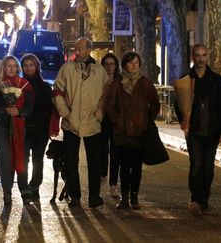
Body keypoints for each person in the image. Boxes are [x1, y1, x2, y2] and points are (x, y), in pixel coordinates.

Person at [174, 44, 221, 216]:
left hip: (212, 131)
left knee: (208, 167)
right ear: (193, 57)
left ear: (208, 57)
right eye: (198, 55)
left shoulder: (217, 81)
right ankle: (195, 199)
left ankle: (204, 198)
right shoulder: (185, 80)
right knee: (196, 165)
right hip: (194, 131)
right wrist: (184, 122)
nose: (201, 59)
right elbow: (179, 105)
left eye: (204, 55)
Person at [52, 37, 109, 208]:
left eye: (80, 49)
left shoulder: (99, 71)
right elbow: (57, 91)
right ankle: (75, 195)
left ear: (89, 49)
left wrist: (100, 112)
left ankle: (94, 196)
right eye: (75, 49)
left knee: (94, 161)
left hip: (92, 121)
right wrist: (65, 112)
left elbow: (105, 95)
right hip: (71, 121)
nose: (77, 52)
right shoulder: (67, 68)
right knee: (70, 160)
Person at [104, 52, 160, 210]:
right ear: (124, 66)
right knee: (124, 165)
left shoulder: (145, 83)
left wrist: (147, 120)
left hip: (139, 130)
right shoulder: (118, 83)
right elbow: (109, 104)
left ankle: (134, 196)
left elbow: (155, 104)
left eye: (136, 62)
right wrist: (117, 120)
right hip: (121, 131)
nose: (134, 65)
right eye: (130, 63)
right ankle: (125, 197)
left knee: (136, 166)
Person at [0, 55, 34, 206]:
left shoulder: (24, 85)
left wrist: (19, 112)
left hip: (19, 126)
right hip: (1, 126)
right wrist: (4, 110)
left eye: (14, 66)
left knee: (21, 157)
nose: (12, 69)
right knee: (5, 157)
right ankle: (7, 190)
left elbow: (29, 106)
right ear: (3, 68)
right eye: (8, 66)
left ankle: (23, 188)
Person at [21, 54, 53, 203]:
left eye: (31, 65)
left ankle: (35, 185)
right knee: (24, 159)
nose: (28, 68)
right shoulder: (19, 84)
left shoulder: (45, 86)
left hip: (40, 129)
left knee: (37, 159)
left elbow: (48, 109)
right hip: (24, 127)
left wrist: (44, 126)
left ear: (36, 66)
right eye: (25, 65)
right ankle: (25, 187)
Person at [100, 53, 121, 198]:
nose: (109, 67)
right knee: (101, 149)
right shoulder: (98, 80)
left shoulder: (120, 82)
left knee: (115, 152)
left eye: (111, 64)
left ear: (116, 66)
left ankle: (113, 184)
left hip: (116, 120)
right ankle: (102, 176)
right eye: (106, 64)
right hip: (101, 119)